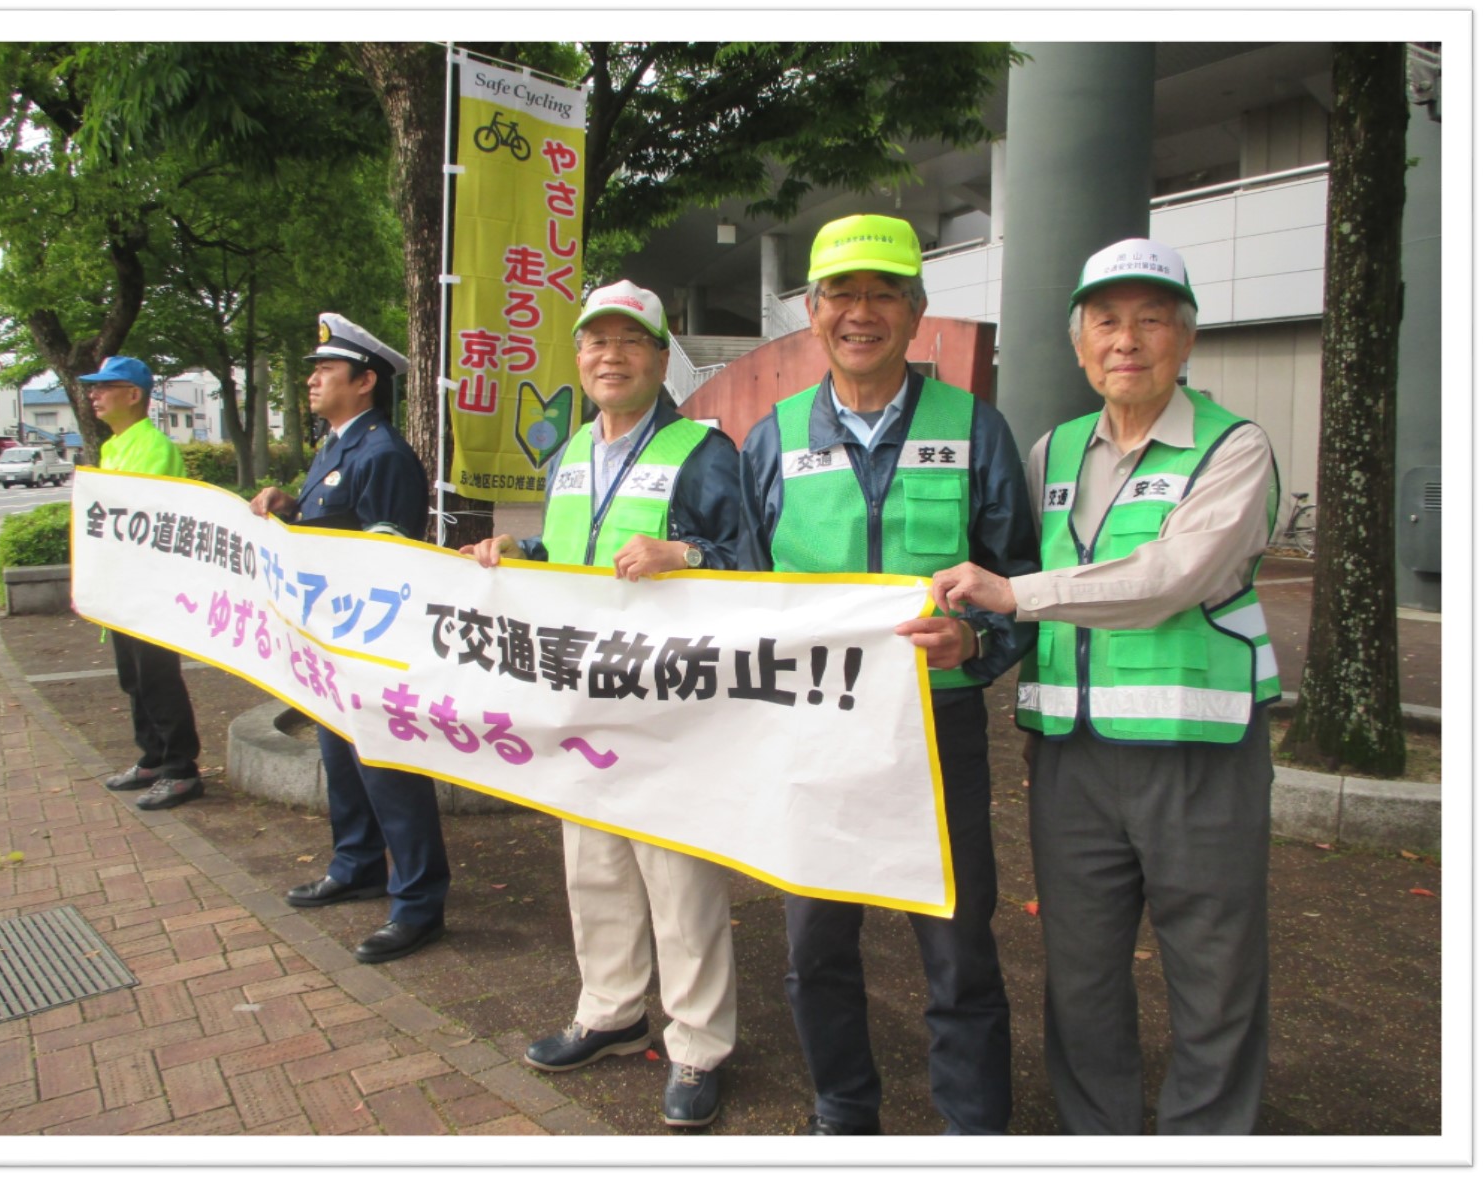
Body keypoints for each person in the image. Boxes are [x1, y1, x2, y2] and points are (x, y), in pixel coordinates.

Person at [933, 238, 1281, 1134]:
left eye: (1151, 319)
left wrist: (1019, 594)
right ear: (1081, 345)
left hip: (1197, 753)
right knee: (1079, 971)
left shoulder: (1232, 448)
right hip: (1071, 761)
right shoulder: (1050, 451)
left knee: (1213, 973)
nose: (1127, 340)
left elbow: (1172, 574)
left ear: (1187, 337)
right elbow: (996, 568)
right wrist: (967, 625)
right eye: (1106, 322)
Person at [738, 215, 1039, 1135]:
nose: (859, 313)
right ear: (812, 312)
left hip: (936, 731)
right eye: (841, 295)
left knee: (957, 945)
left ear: (915, 310)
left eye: (882, 294)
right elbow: (741, 589)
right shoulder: (772, 438)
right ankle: (844, 1114)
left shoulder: (975, 428)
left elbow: (1016, 578)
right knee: (817, 944)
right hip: (814, 726)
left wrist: (977, 644)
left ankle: (975, 1129)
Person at [462, 280, 740, 1129]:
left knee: (679, 874)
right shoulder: (572, 451)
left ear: (661, 357)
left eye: (630, 342)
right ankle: (612, 1011)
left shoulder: (704, 449)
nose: (611, 356)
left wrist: (684, 551)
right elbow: (573, 549)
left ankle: (698, 1044)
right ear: (579, 359)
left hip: (669, 701)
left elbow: (748, 561)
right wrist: (522, 549)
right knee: (594, 862)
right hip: (583, 692)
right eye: (596, 343)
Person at [250, 313, 449, 966]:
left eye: (325, 369)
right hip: (328, 643)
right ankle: (357, 861)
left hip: (371, 644)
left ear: (364, 381)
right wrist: (288, 510)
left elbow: (388, 560)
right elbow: (328, 527)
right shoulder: (335, 445)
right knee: (340, 759)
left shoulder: (385, 454)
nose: (311, 378)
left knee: (389, 769)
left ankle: (418, 901)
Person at [83, 356, 205, 812]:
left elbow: (141, 516)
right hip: (120, 588)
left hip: (148, 589)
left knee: (156, 677)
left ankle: (180, 769)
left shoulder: (152, 446)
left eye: (104, 387)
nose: (93, 395)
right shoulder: (114, 446)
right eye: (93, 388)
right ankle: (152, 757)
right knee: (132, 677)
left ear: (133, 395)